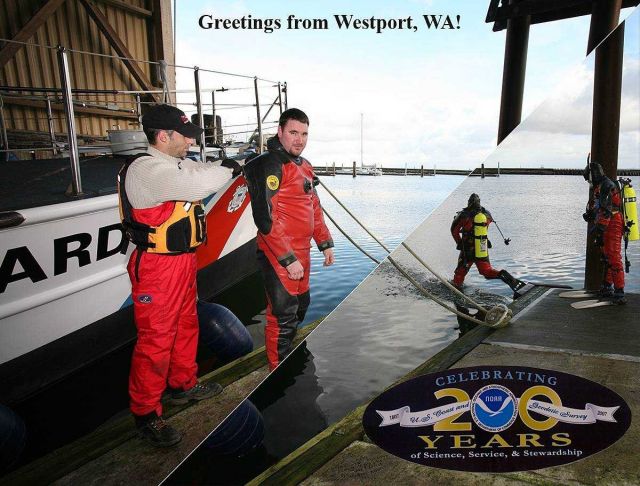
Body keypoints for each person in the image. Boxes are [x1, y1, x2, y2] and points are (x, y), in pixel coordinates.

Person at [117, 104, 242, 447]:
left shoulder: (175, 162)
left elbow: (203, 168)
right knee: (155, 340)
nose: (190, 142)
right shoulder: (145, 170)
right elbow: (196, 185)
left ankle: (182, 385)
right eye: (184, 136)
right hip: (157, 267)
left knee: (187, 323)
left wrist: (241, 161)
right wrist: (229, 168)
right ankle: (146, 415)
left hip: (183, 263)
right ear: (162, 136)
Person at [243, 108, 334, 370]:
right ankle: (277, 368)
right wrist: (288, 259)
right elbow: (266, 219)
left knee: (301, 305)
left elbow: (314, 207)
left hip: (302, 251)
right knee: (282, 313)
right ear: (280, 132)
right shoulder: (269, 164)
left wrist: (325, 243)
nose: (300, 139)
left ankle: (287, 350)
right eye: (293, 132)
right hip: (279, 252)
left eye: (304, 134)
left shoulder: (303, 165)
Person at [451, 193, 524, 292]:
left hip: (468, 249)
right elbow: (486, 227)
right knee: (486, 271)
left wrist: (459, 243)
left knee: (460, 273)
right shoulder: (487, 214)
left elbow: (454, 230)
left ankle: (456, 290)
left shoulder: (464, 215)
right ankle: (504, 275)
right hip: (482, 246)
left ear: (469, 202)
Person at [583, 161, 626, 303]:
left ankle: (619, 292)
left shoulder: (606, 186)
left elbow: (606, 211)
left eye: (589, 178)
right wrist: (590, 215)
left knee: (613, 257)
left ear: (593, 175)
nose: (589, 181)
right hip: (606, 223)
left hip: (613, 224)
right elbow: (598, 206)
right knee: (607, 257)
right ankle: (608, 287)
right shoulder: (600, 187)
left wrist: (600, 231)